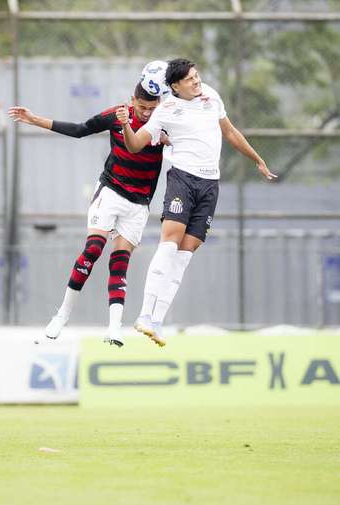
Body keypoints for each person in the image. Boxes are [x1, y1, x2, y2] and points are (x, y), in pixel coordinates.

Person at [117, 58, 277, 346]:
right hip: (183, 179)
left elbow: (230, 132)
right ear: (175, 86)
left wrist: (257, 159)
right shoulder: (166, 109)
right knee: (170, 243)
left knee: (185, 254)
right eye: (190, 79)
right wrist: (126, 125)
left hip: (210, 185)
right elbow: (135, 144)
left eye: (196, 75)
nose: (196, 81)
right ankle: (144, 315)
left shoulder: (211, 96)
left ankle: (157, 322)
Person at [8, 83, 166, 346]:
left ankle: (114, 327)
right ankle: (62, 315)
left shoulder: (164, 122)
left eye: (152, 108)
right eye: (142, 107)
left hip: (139, 203)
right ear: (132, 101)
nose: (147, 113)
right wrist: (35, 120)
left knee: (120, 262)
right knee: (93, 250)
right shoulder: (116, 115)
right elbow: (80, 130)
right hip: (111, 191)